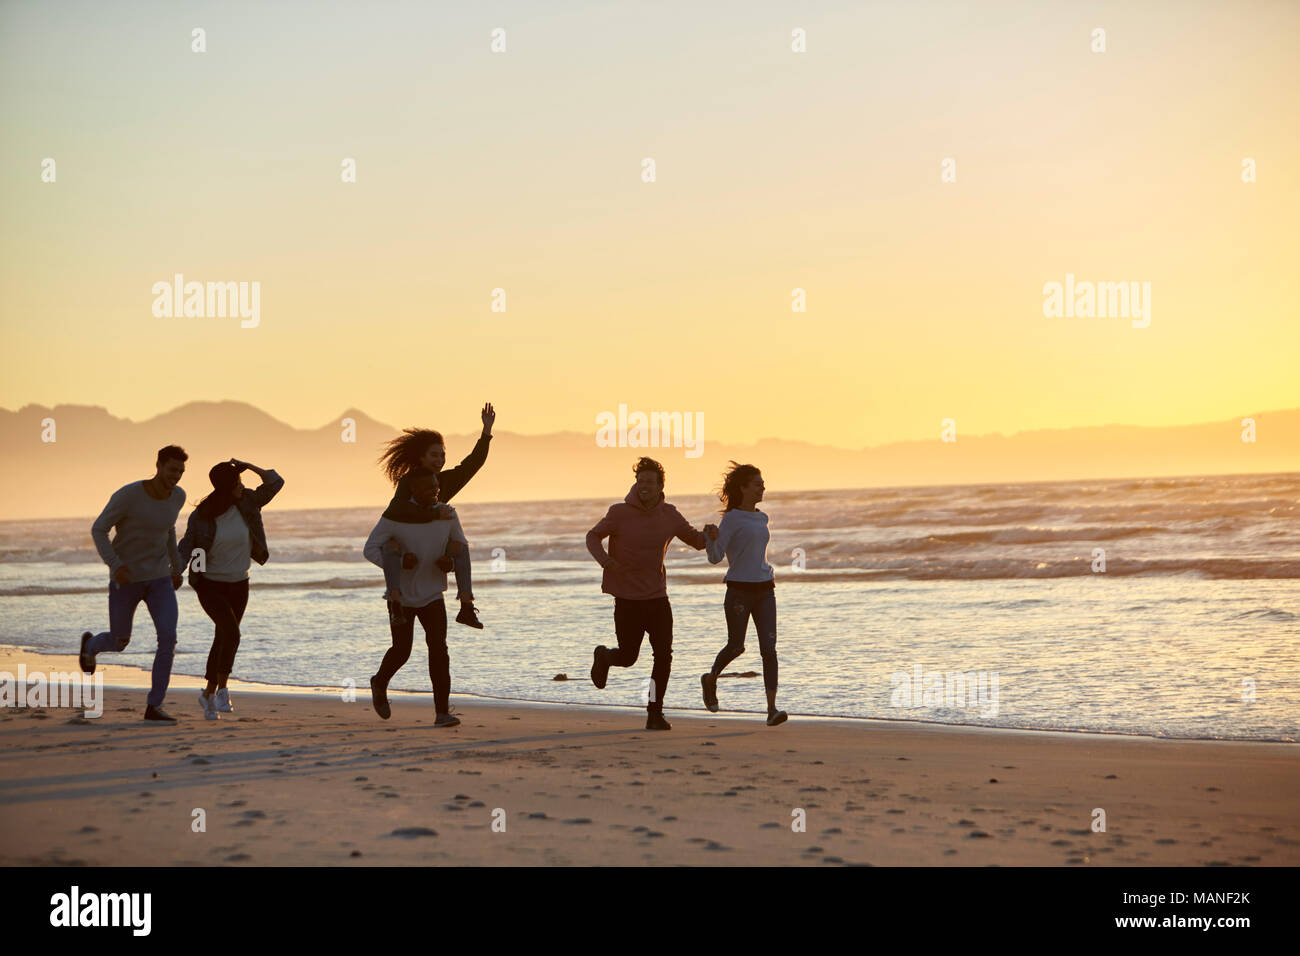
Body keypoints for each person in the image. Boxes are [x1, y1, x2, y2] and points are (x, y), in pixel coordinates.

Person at [586, 456, 716, 730]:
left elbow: (695, 541)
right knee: (629, 657)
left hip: (657, 597)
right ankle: (606, 657)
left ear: (660, 486)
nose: (644, 486)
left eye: (649, 481)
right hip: (627, 599)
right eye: (640, 480)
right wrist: (606, 562)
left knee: (664, 656)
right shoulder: (619, 512)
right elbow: (592, 536)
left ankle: (654, 712)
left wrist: (713, 534)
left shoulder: (669, 514)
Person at [80, 445, 188, 722]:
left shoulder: (178, 497)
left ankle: (154, 706)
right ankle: (91, 646)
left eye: (181, 470)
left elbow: (169, 529)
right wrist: (116, 566)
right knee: (120, 641)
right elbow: (99, 528)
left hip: (160, 579)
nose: (177, 475)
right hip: (126, 580)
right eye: (172, 469)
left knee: (168, 638)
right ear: (159, 466)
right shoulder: (128, 495)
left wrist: (176, 567)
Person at [177, 459, 285, 720]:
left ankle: (208, 695)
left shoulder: (247, 502)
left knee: (222, 637)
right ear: (227, 487)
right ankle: (223, 690)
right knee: (232, 633)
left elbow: (276, 482)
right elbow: (188, 547)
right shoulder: (203, 515)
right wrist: (174, 572)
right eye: (238, 482)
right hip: (209, 584)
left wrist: (249, 465)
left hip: (240, 582)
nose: (243, 485)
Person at [363, 468, 467, 727]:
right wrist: (398, 565)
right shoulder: (396, 517)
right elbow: (370, 549)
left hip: (433, 594)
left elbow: (460, 546)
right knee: (402, 651)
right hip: (401, 597)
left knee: (439, 650)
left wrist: (450, 563)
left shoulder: (447, 514)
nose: (436, 492)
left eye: (436, 486)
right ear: (413, 491)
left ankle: (442, 713)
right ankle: (379, 682)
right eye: (429, 488)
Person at [376, 403, 494, 629]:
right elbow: (398, 510)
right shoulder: (408, 483)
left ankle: (466, 607)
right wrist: (433, 512)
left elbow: (472, 464)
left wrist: (486, 432)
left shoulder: (444, 482)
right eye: (434, 455)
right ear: (420, 458)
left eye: (442, 455)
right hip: (408, 551)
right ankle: (397, 600)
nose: (440, 460)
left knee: (461, 546)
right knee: (401, 651)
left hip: (433, 550)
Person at [701, 462, 787, 726]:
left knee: (769, 649)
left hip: (765, 589)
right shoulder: (732, 519)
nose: (763, 487)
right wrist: (709, 537)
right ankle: (711, 678)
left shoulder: (762, 517)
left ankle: (771, 710)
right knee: (737, 646)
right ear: (743, 488)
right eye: (757, 483)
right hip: (739, 590)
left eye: (763, 483)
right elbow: (715, 557)